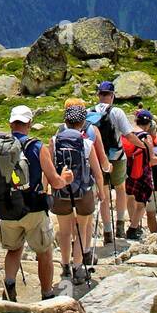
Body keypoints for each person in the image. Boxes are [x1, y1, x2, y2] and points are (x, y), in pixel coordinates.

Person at [0, 104, 69, 302]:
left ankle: (9, 283)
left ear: (10, 123)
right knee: (44, 251)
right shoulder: (37, 146)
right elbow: (55, 181)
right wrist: (65, 178)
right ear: (29, 123)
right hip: (33, 208)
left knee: (14, 249)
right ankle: (47, 294)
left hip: (6, 209)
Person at [50, 102, 105, 285]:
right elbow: (97, 172)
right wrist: (102, 193)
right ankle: (78, 267)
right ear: (82, 122)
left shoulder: (53, 140)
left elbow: (48, 170)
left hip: (61, 190)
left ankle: (65, 266)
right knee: (82, 228)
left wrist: (47, 190)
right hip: (84, 191)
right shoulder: (87, 143)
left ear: (65, 120)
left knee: (65, 231)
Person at [87, 82, 138, 243]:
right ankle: (120, 225)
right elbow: (129, 135)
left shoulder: (90, 112)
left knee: (103, 194)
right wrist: (143, 146)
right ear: (112, 95)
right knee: (120, 188)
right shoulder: (117, 112)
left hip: (97, 158)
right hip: (117, 156)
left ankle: (107, 231)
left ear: (99, 94)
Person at [120, 109, 157, 241]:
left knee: (130, 197)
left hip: (127, 171)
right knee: (142, 202)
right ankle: (133, 229)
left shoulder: (127, 134)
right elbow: (152, 160)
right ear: (148, 124)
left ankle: (134, 224)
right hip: (142, 173)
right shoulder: (145, 137)